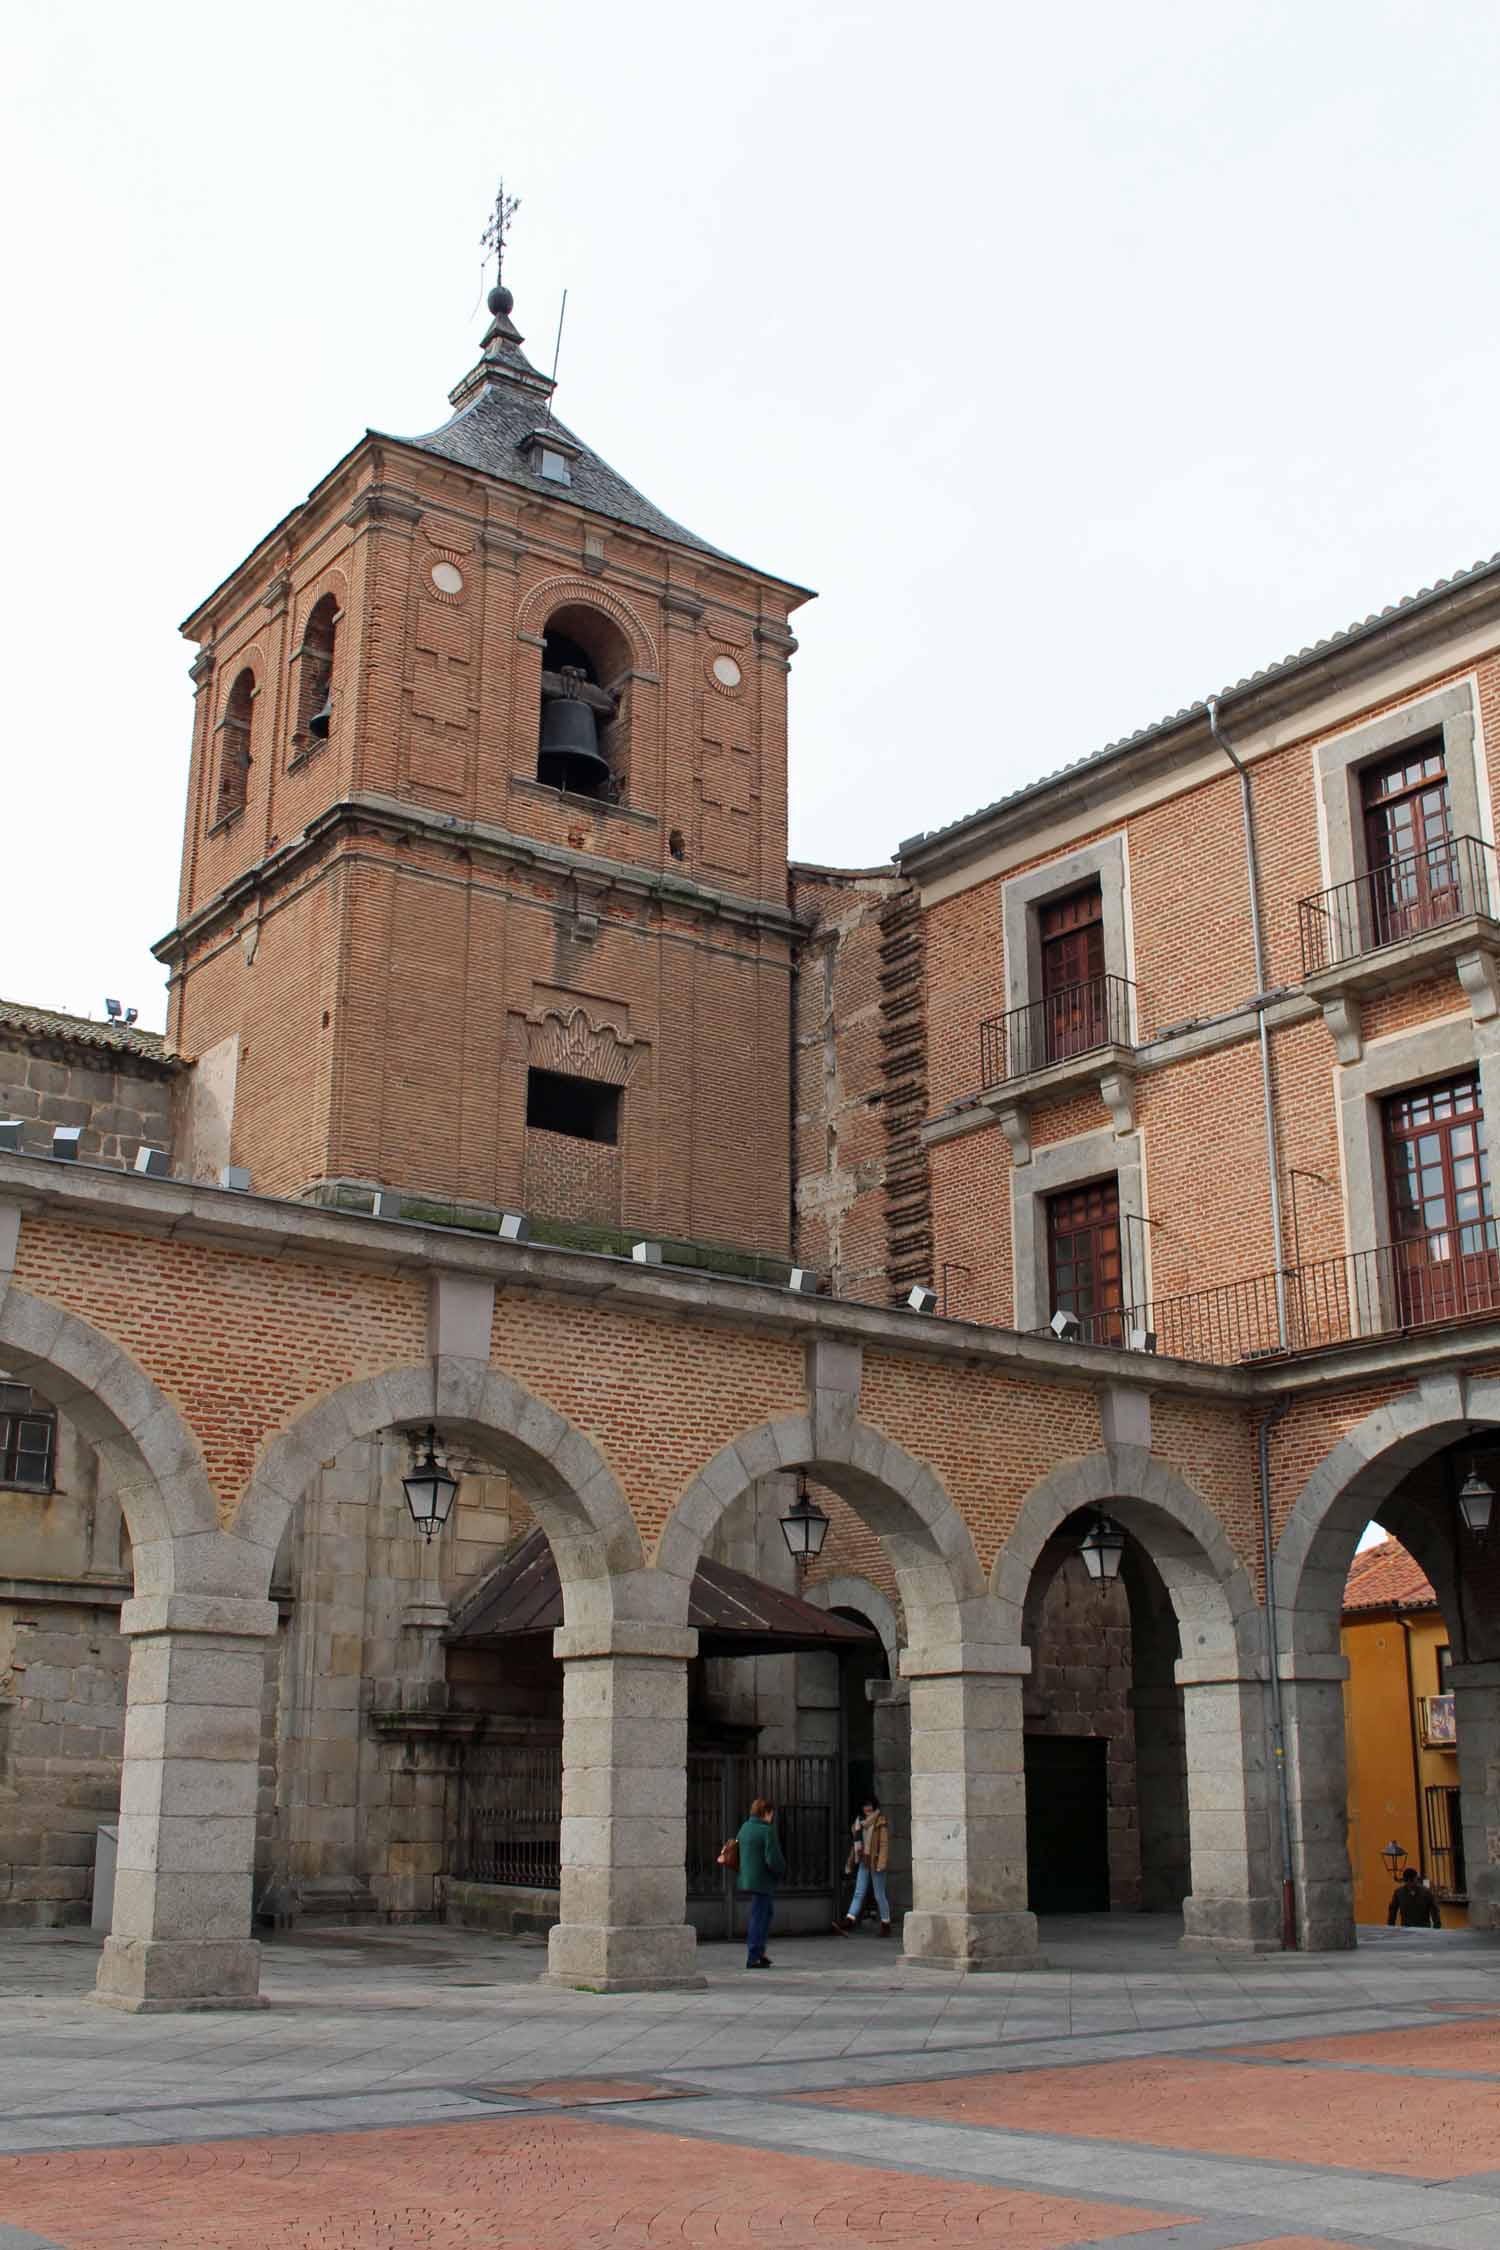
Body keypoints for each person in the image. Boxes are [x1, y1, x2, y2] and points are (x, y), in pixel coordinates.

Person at [736, 1796, 786, 1968]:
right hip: (763, 1880)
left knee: (766, 1913)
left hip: (748, 1877)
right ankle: (754, 1956)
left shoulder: (745, 1827)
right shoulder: (767, 1830)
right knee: (759, 1917)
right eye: (771, 1813)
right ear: (766, 1813)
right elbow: (773, 1858)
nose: (772, 1817)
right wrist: (781, 1870)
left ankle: (760, 1952)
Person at [833, 1795, 892, 1937]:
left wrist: (882, 1863)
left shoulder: (880, 1822)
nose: (868, 1808)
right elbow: (855, 1846)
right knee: (859, 1892)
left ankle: (886, 1924)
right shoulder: (859, 1823)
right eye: (865, 1805)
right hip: (864, 1862)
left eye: (870, 1805)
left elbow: (884, 1845)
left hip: (876, 1862)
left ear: (874, 1806)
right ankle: (849, 1921)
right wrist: (850, 1861)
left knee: (879, 1895)